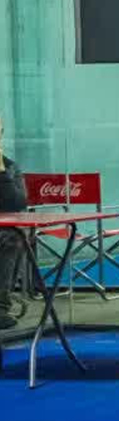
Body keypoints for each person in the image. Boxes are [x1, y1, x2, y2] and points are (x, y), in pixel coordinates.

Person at [0, 114, 25, 330]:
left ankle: (0, 307)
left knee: (13, 237)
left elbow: (17, 203)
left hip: (2, 228)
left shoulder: (10, 167)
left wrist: (1, 173)